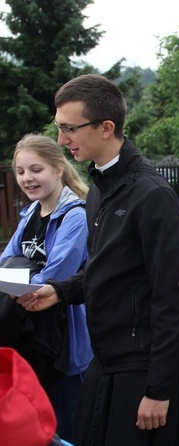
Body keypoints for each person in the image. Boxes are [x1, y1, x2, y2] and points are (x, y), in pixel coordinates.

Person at [14, 74, 179, 445]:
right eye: (59, 128)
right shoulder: (98, 191)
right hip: (106, 363)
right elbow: (105, 269)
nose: (61, 140)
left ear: (107, 127)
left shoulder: (153, 197)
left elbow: (171, 300)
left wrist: (159, 389)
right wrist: (59, 291)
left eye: (70, 128)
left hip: (146, 371)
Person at [0, 134, 92, 442]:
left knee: (66, 428)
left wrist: (17, 278)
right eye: (21, 171)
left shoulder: (75, 217)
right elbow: (4, 265)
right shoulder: (30, 215)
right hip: (34, 339)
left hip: (64, 345)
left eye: (36, 169)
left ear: (57, 170)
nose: (27, 178)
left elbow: (55, 279)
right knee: (40, 430)